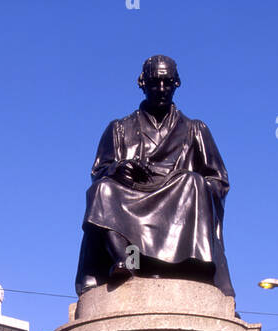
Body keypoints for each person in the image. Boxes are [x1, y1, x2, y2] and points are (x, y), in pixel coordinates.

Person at [75, 55, 233, 296]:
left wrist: (187, 181)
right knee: (102, 190)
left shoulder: (195, 129)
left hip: (179, 194)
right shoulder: (118, 128)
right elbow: (98, 172)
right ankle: (127, 261)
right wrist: (117, 169)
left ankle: (186, 265)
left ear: (176, 83)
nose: (161, 89)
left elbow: (218, 180)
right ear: (142, 83)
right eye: (154, 83)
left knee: (194, 182)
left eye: (167, 83)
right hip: (132, 193)